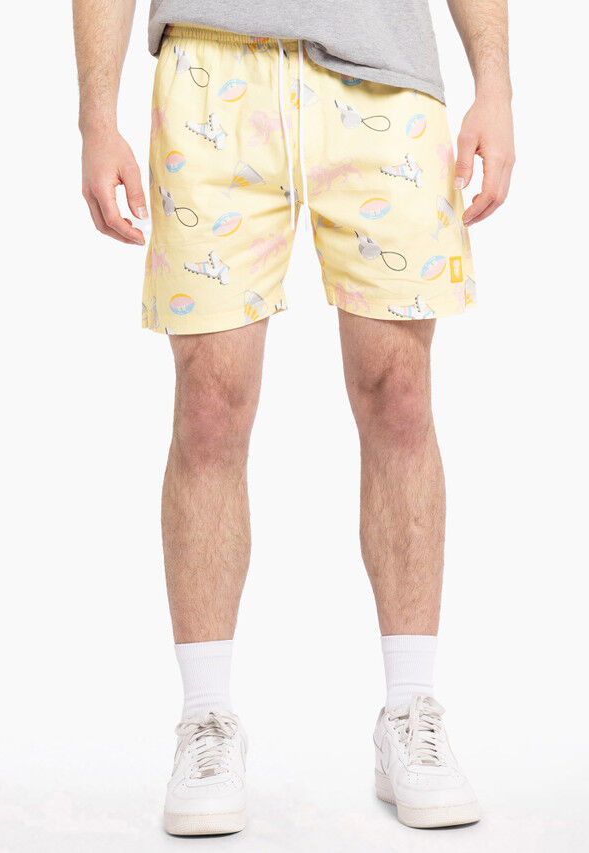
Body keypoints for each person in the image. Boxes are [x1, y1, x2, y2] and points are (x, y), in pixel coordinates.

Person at [73, 0, 514, 835]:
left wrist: (495, 85)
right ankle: (206, 719)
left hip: (385, 79)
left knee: (400, 396)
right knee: (210, 405)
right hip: (211, 73)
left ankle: (410, 711)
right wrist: (97, 115)